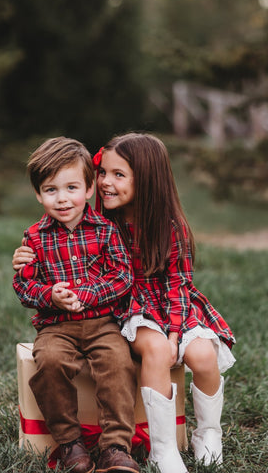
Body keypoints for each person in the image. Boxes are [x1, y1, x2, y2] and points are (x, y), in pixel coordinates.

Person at [13, 132, 236, 473]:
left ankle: (207, 435)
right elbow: (31, 276)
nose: (105, 182)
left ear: (145, 180)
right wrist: (33, 273)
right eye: (103, 173)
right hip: (126, 306)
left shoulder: (159, 227)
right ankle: (156, 449)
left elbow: (177, 283)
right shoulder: (98, 221)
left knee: (203, 355)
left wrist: (176, 331)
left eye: (118, 175)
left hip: (163, 304)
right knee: (153, 350)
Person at [12, 137, 140, 473]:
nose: (63, 198)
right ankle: (70, 445)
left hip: (103, 323)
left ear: (88, 190)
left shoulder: (106, 231)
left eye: (71, 187)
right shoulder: (34, 237)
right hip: (56, 327)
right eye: (51, 190)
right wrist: (49, 295)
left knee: (118, 364)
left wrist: (86, 294)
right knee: (49, 362)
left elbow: (122, 276)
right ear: (39, 195)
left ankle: (115, 447)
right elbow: (24, 285)